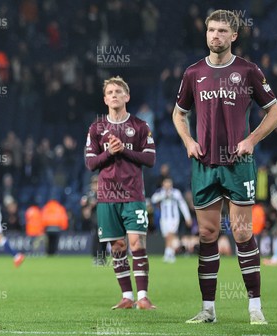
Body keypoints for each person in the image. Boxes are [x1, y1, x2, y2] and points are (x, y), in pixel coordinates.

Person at [172, 10, 277, 324]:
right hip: (205, 164)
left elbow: (275, 113)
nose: (215, 36)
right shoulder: (193, 73)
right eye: (211, 30)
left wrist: (251, 139)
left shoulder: (248, 71)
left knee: (242, 232)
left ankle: (255, 308)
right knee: (207, 235)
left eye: (222, 31)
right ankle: (208, 310)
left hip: (239, 164)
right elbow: (178, 114)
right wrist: (188, 141)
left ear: (234, 35)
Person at [85, 76, 157, 310]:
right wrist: (110, 153)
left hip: (133, 195)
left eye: (118, 91)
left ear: (127, 97)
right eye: (110, 92)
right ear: (105, 99)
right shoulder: (96, 128)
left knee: (136, 244)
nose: (114, 95)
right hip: (106, 197)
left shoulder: (140, 126)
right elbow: (90, 163)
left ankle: (143, 297)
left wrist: (124, 150)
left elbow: (150, 158)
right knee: (117, 247)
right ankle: (127, 296)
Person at [150, 178, 192, 263]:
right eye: (166, 182)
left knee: (170, 235)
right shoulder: (160, 192)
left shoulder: (176, 192)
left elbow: (182, 204)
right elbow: (153, 199)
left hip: (174, 218)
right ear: (163, 184)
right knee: (166, 237)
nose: (168, 184)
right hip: (164, 218)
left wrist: (187, 217)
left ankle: (168, 254)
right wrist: (164, 195)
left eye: (169, 182)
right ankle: (170, 253)